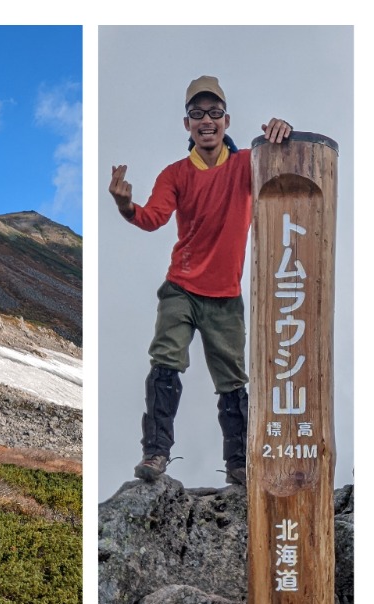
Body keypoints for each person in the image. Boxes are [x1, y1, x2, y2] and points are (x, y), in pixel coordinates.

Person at [109, 75, 291, 484]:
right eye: (196, 113)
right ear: (186, 124)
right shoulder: (175, 174)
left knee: (232, 380)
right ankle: (155, 454)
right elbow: (153, 218)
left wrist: (283, 133)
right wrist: (126, 207)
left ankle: (239, 464)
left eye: (213, 112)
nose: (205, 120)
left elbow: (285, 164)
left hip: (226, 296)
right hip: (181, 289)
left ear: (227, 119)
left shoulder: (249, 162)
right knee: (166, 361)